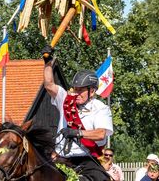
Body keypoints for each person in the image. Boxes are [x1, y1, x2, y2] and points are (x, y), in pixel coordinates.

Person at [42, 45, 113, 181]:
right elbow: (49, 85)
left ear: (91, 91)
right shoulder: (66, 100)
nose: (77, 93)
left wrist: (77, 133)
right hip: (60, 159)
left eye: (81, 90)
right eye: (75, 89)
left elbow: (101, 133)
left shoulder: (100, 108)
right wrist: (48, 63)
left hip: (85, 161)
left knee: (101, 178)